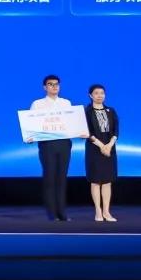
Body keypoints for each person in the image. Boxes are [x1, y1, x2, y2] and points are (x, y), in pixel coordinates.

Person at [27, 74, 79, 222]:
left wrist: (80, 131)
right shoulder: (38, 104)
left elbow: (71, 123)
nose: (54, 87)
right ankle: (52, 213)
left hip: (64, 144)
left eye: (56, 84)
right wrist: (30, 136)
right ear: (45, 87)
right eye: (50, 84)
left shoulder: (66, 103)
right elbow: (31, 124)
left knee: (62, 178)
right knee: (50, 178)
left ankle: (62, 212)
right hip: (47, 145)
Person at [84, 84, 119, 222]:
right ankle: (98, 211)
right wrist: (101, 146)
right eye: (96, 93)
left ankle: (106, 212)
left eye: (102, 93)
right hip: (94, 148)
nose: (100, 95)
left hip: (109, 148)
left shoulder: (111, 111)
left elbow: (116, 131)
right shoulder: (87, 112)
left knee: (107, 181)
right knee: (95, 181)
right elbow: (87, 132)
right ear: (90, 95)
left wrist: (109, 145)